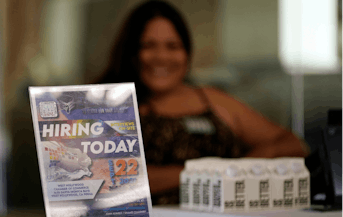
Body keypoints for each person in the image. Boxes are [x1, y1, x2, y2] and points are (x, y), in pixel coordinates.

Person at [95, 0, 310, 205]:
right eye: (149, 45)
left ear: (187, 53)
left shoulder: (212, 100)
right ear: (131, 52)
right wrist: (211, 172)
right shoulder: (104, 104)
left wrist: (249, 163)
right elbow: (99, 179)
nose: (162, 56)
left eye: (173, 46)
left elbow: (293, 145)